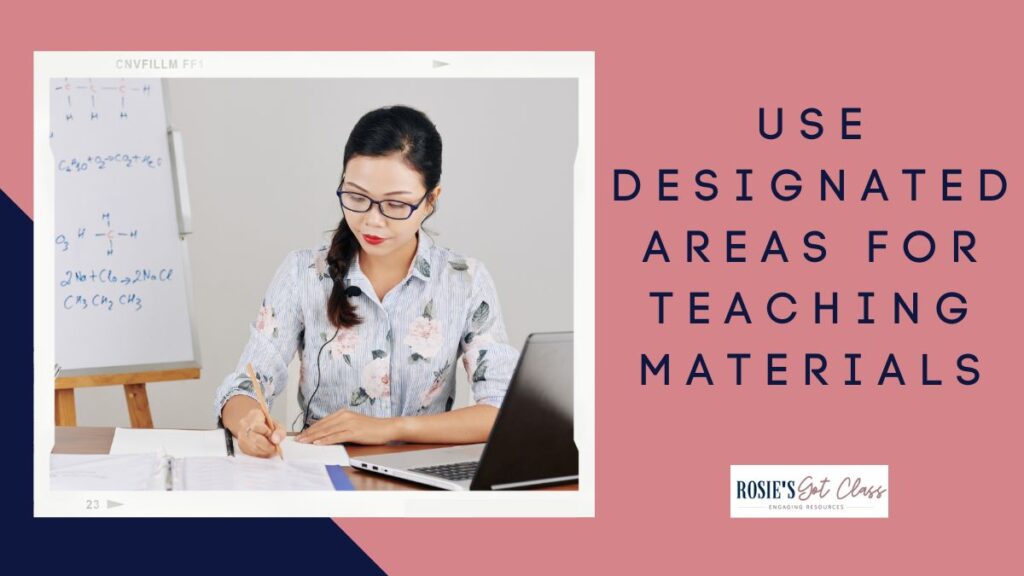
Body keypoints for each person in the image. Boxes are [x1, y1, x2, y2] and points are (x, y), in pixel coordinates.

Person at [214, 105, 520, 458]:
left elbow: (501, 410)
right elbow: (244, 385)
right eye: (356, 197)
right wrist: (247, 421)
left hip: (421, 473)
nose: (372, 221)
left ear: (431, 200)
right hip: (323, 470)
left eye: (395, 204)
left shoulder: (464, 281)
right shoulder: (303, 274)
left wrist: (389, 429)